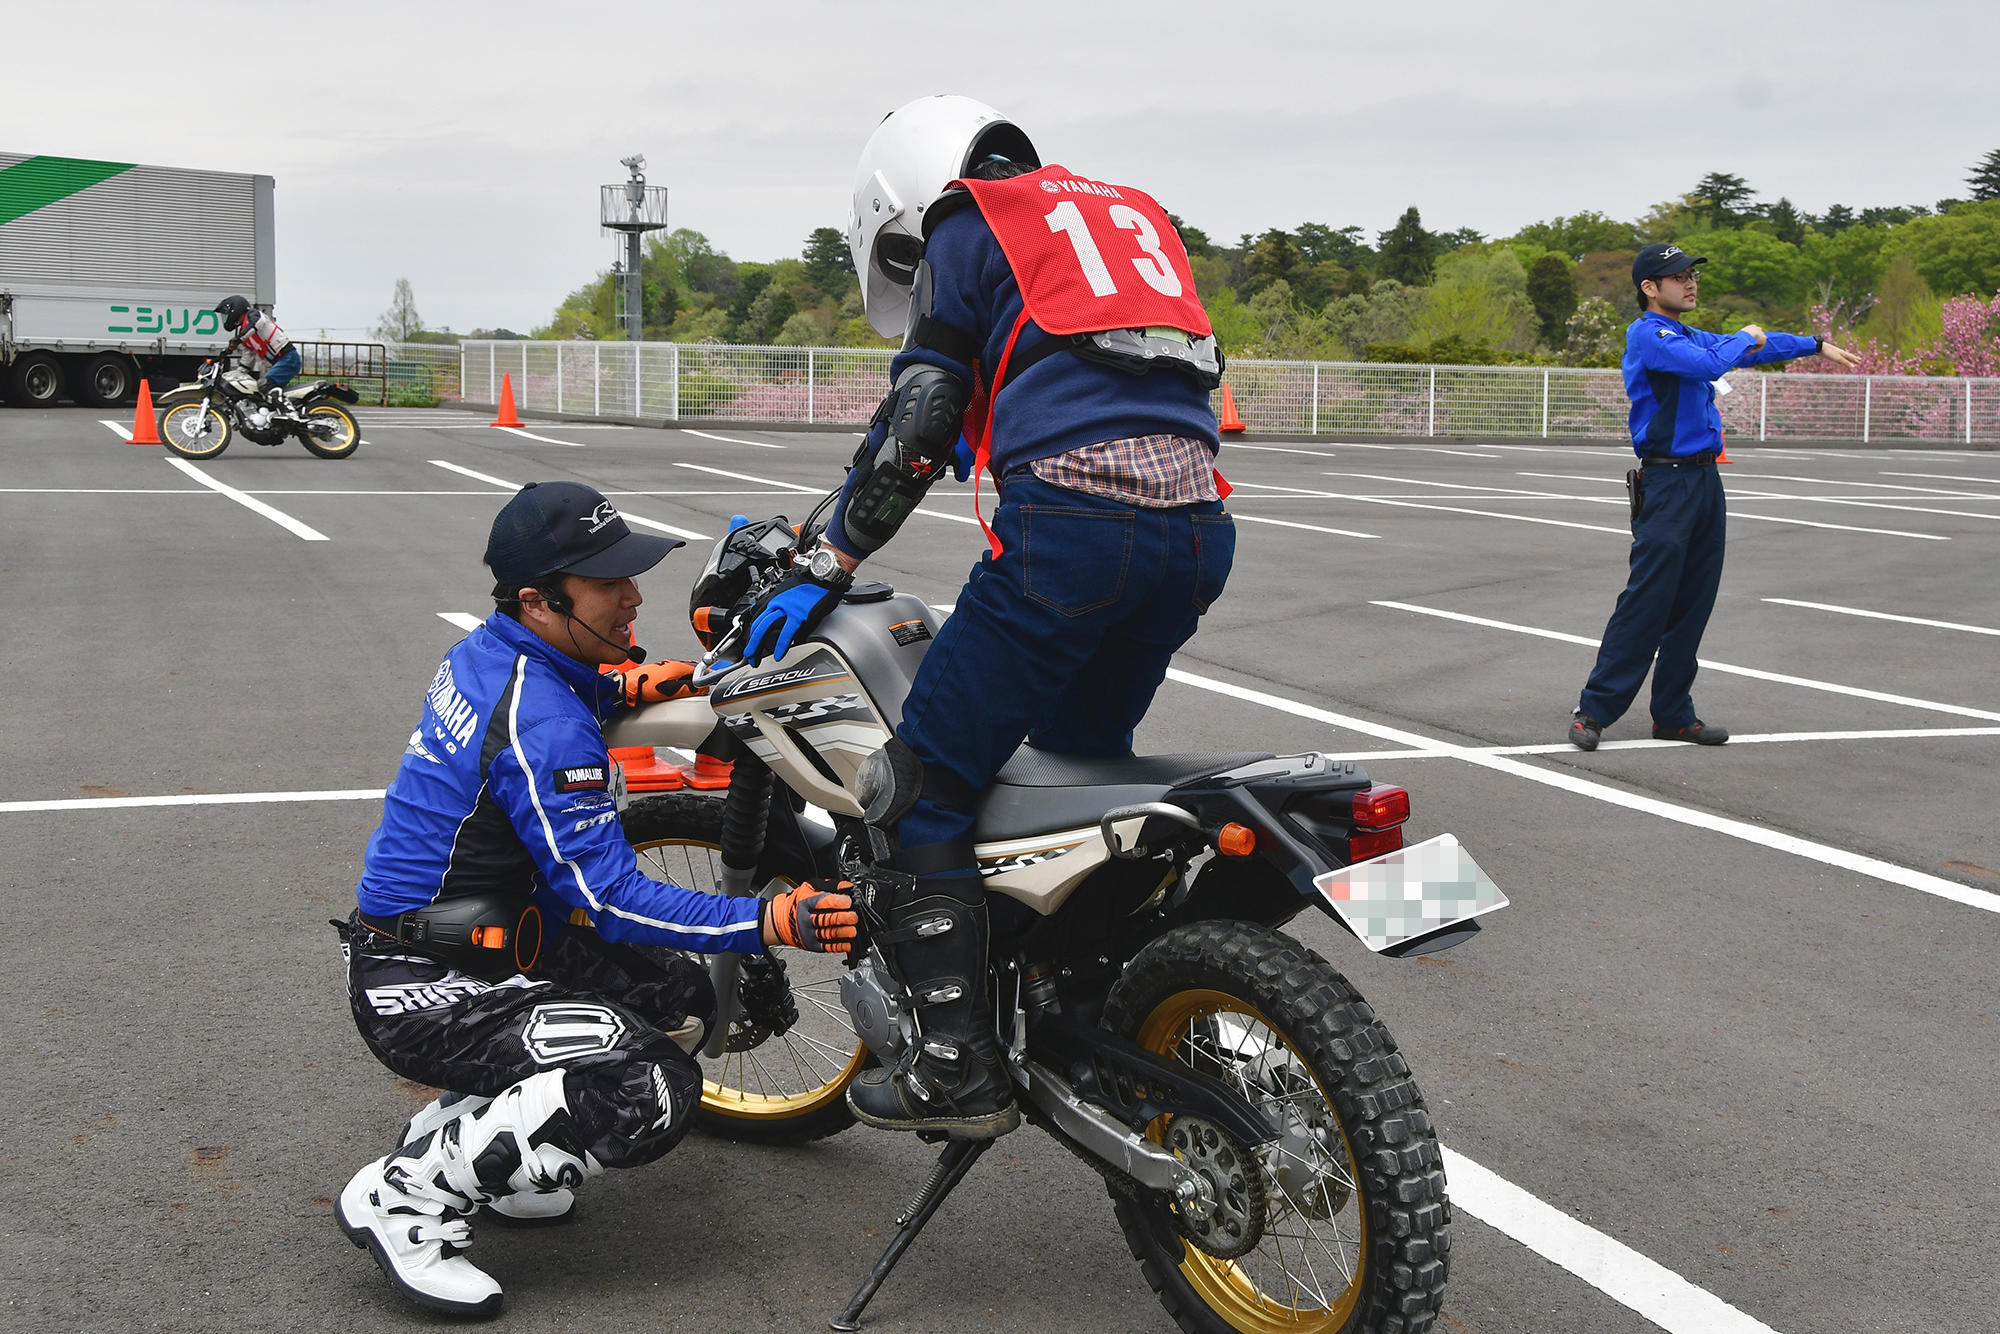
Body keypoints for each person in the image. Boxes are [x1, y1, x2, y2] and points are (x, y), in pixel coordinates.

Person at [733, 95, 1235, 1139]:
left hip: (1073, 540)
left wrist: (826, 556)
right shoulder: (1116, 218)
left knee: (915, 792)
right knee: (1072, 771)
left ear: (903, 197)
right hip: (1194, 539)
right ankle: (1082, 1005)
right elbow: (1010, 397)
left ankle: (956, 1068)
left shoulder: (970, 222)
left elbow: (919, 420)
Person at [334, 479, 857, 1318]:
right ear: (541, 599)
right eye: (608, 582)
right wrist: (769, 918)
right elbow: (608, 896)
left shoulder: (501, 649)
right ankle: (405, 1197)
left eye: (630, 573)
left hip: (487, 936)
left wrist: (626, 686)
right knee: (648, 1089)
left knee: (681, 997)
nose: (634, 595)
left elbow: (550, 693)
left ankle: (478, 1136)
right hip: (427, 981)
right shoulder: (543, 725)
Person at [1568, 244, 1859, 751]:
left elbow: (1749, 349)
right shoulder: (1649, 335)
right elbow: (1709, 363)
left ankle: (1674, 715)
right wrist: (1745, 335)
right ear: (1649, 288)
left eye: (1692, 275)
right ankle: (1593, 711)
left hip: (1704, 481)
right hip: (1666, 483)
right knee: (1647, 599)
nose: (1691, 282)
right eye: (1678, 276)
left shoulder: (1686, 333)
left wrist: (1811, 344)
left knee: (1694, 601)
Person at [212, 294, 302, 407]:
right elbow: (248, 355)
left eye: (226, 314)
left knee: (265, 385)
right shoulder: (245, 332)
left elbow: (257, 323)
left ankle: (288, 411)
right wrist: (238, 373)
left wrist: (239, 338)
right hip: (280, 361)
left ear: (235, 310)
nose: (226, 318)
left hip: (288, 358)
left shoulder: (254, 315)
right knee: (260, 392)